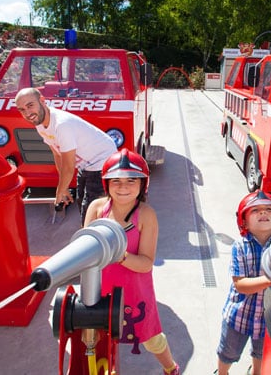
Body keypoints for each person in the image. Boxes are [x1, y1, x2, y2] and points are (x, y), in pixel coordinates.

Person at [84, 149, 179, 375]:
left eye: (131, 181)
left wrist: (119, 254)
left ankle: (171, 367)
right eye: (115, 181)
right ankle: (108, 366)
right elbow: (85, 249)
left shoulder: (146, 215)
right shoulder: (96, 209)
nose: (123, 187)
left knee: (151, 338)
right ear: (106, 184)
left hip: (135, 292)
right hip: (99, 288)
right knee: (94, 335)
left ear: (142, 184)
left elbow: (146, 263)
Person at [14, 87, 116, 224]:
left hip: (103, 159)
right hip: (86, 163)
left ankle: (97, 236)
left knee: (93, 210)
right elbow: (58, 155)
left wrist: (59, 193)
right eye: (22, 110)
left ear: (42, 101)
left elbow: (68, 167)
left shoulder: (62, 125)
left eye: (30, 106)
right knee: (82, 203)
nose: (27, 113)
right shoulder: (40, 124)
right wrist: (64, 187)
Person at [216, 190, 271, 375]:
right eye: (256, 210)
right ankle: (222, 372)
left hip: (269, 316)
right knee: (227, 352)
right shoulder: (239, 245)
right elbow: (240, 285)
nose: (263, 213)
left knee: (261, 353)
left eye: (269, 209)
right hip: (239, 315)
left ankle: (255, 372)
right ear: (244, 221)